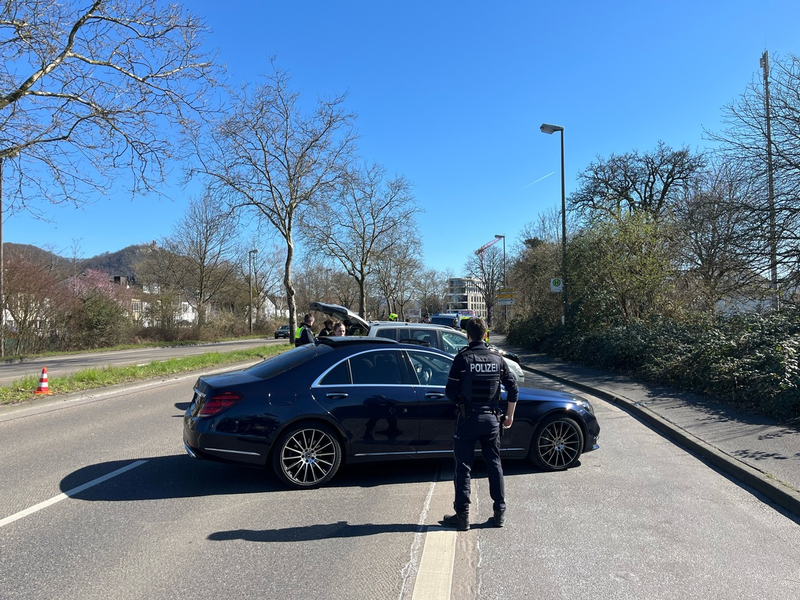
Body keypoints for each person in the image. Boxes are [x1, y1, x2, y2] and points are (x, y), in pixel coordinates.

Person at [440, 317, 518, 531]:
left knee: (463, 467)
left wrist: (461, 404)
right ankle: (499, 512)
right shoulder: (497, 358)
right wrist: (509, 415)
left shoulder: (462, 358)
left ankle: (462, 516)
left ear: (468, 335)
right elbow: (513, 388)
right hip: (492, 420)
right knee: (494, 464)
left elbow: (450, 392)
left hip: (468, 419)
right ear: (485, 334)